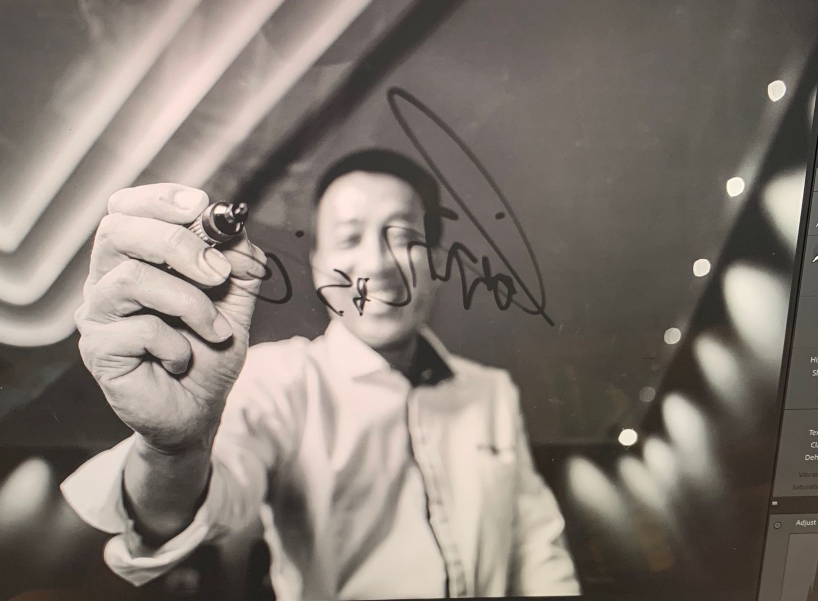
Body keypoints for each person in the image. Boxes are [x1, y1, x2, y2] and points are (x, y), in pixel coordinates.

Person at [61, 149, 580, 599]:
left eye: (403, 236)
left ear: (437, 260)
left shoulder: (491, 392)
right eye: (349, 238)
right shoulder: (276, 378)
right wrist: (174, 449)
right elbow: (207, 504)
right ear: (316, 266)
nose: (377, 264)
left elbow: (538, 552)